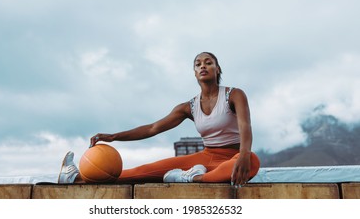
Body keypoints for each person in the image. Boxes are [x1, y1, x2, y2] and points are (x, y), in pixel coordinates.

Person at [58, 52, 260, 185]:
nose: (203, 66)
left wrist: (243, 154)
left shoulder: (234, 95)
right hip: (206, 157)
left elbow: (245, 127)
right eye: (198, 64)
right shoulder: (188, 107)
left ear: (218, 69)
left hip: (235, 156)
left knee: (252, 161)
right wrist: (113, 136)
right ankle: (75, 177)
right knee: (142, 171)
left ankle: (193, 178)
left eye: (209, 62)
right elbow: (153, 128)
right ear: (194, 73)